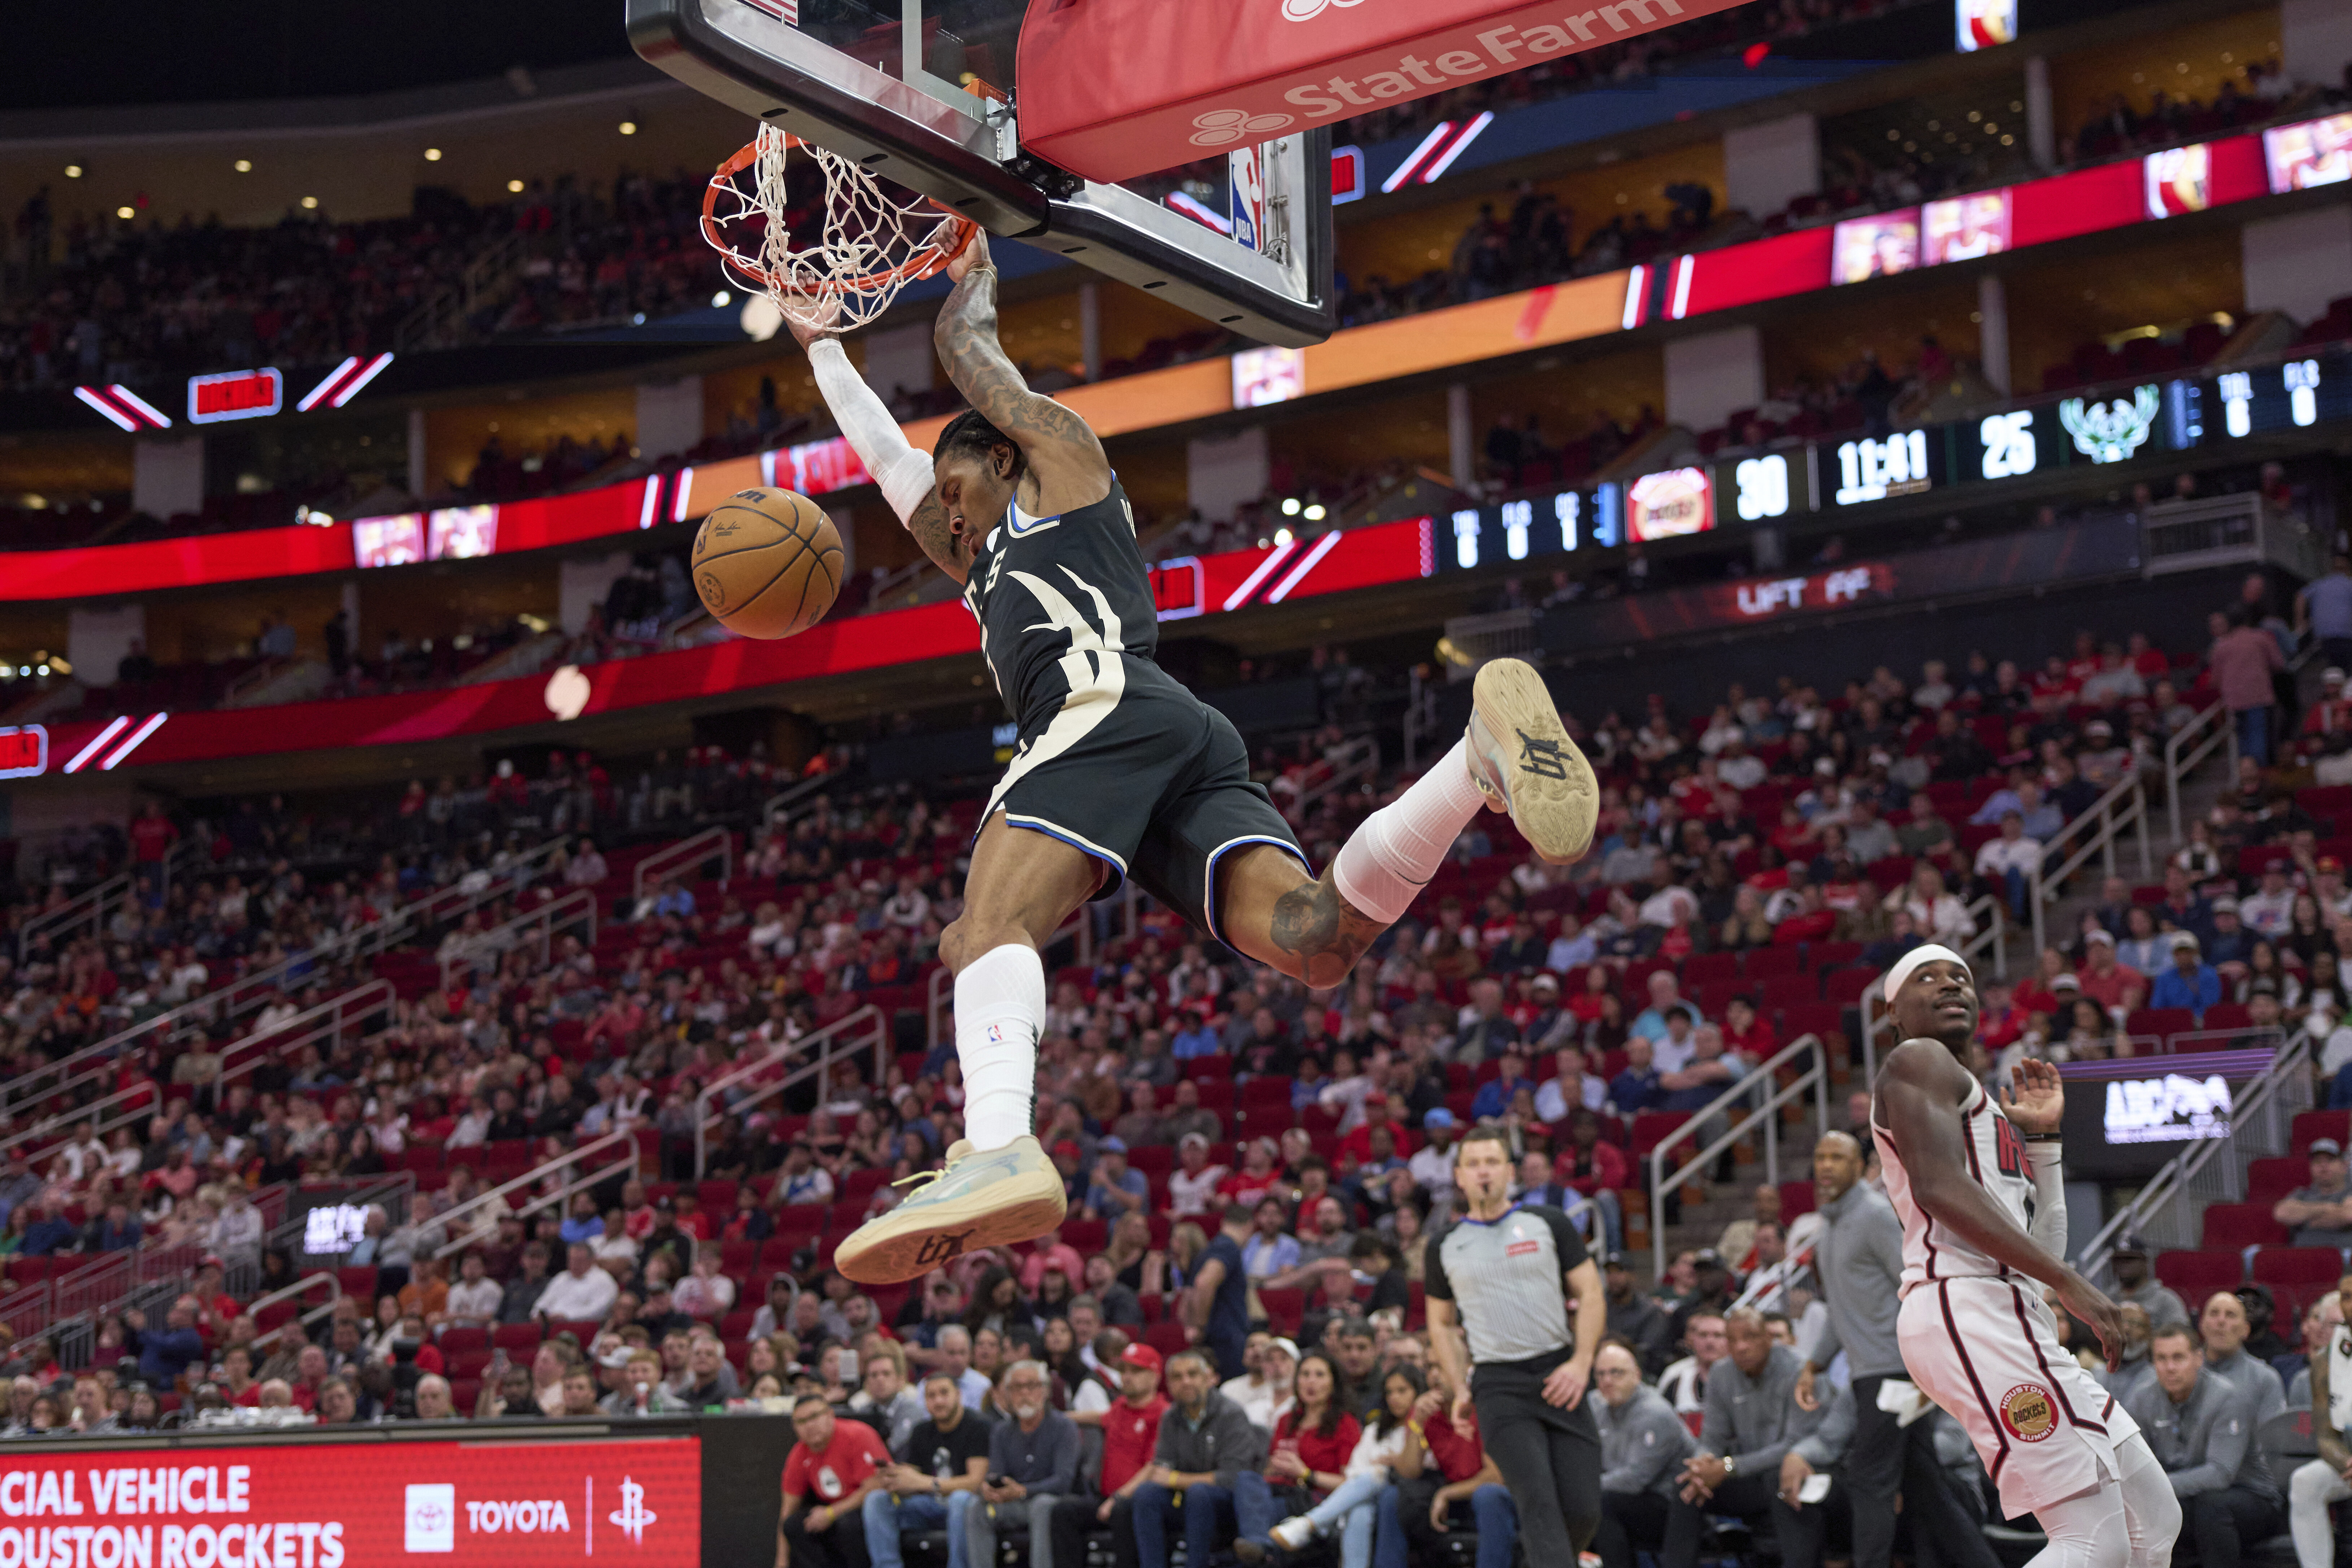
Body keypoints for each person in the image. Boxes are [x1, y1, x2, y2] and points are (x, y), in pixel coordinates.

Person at [788, 243, 1598, 1285]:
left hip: (1099, 702)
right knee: (1314, 939)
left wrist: (969, 264)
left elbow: (967, 350)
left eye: (955, 483)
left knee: (983, 929)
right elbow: (885, 461)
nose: (941, 511)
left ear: (1001, 458)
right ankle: (1473, 760)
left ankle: (995, 1141)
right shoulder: (978, 552)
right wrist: (824, 355)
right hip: (1175, 734)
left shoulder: (1064, 470)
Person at [1872, 944, 2181, 1568]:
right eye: (1925, 977)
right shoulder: (1916, 1058)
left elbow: (2036, 1252)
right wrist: (2070, 1283)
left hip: (2007, 1308)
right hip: (1963, 1303)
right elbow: (1935, 1186)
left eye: (1958, 976)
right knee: (2091, 1538)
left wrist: (2040, 1144)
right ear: (1894, 1017)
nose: (1948, 984)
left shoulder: (1980, 1105)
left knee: (2152, 1520)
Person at [1796, 1130, 2003, 1568]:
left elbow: (1920, 1286)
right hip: (1871, 1373)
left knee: (1868, 1479)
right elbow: (1840, 1310)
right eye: (1820, 1157)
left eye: (1838, 1156)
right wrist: (1813, 1363)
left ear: (1859, 1166)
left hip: (1894, 1372)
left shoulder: (1873, 1216)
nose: (1827, 1165)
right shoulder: (1827, 1230)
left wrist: (1930, 1367)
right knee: (1925, 1485)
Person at [1425, 1125, 1606, 1567]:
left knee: (1583, 1508)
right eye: (1473, 1163)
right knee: (1537, 1500)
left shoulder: (1548, 1222)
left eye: (1491, 1162)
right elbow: (1441, 1323)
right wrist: (1459, 1385)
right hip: (1498, 1383)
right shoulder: (1444, 1244)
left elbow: (1591, 1293)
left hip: (1559, 1371)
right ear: (1460, 1176)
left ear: (1509, 1172)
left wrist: (1582, 1362)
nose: (1483, 1171)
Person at [1664, 1307, 1849, 1568]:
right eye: (1733, 1340)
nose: (1742, 1347)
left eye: (1750, 1337)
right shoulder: (1721, 1373)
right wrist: (1703, 1463)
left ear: (1768, 1338)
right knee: (1687, 1484)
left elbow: (1793, 1445)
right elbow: (1712, 1439)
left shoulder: (1799, 1370)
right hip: (1752, 1476)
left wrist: (1729, 1466)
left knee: (1781, 1477)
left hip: (1800, 1471)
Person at [2124, 1324, 2281, 1568]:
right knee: (2141, 1508)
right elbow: (2131, 1464)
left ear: (2198, 1358)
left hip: (2251, 1497)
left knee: (2212, 1505)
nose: (2170, 1367)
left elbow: (2220, 1475)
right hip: (2187, 1496)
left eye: (2178, 1358)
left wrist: (2154, 1486)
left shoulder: (2228, 1397)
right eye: (2161, 1359)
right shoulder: (2142, 1399)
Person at [1132, 1351, 1274, 1568]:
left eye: (1192, 1374)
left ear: (1208, 1378)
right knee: (1146, 1494)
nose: (1185, 1382)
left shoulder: (1231, 1414)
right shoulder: (1171, 1417)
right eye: (1177, 1377)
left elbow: (1233, 1477)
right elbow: (1162, 1468)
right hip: (1188, 1499)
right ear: (1168, 1385)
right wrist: (1172, 1479)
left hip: (1227, 1505)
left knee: (1200, 1492)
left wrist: (1176, 1479)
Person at [1044, 1343, 1165, 1568]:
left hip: (1135, 1501)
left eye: (1136, 1371)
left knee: (1123, 1512)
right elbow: (1098, 1417)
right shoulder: (1120, 1407)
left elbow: (1154, 1468)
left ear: (1155, 1376)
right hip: (1106, 1499)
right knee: (1064, 1511)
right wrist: (1057, 1418)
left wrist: (1117, 1499)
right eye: (1124, 1371)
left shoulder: (1162, 1414)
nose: (1127, 1377)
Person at [861, 1372, 991, 1568]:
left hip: (965, 1507)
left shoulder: (978, 1426)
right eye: (931, 1396)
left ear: (959, 1395)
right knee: (876, 1500)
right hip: (929, 1506)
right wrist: (895, 1478)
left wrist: (925, 1483)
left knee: (960, 1499)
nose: (938, 1401)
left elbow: (975, 1483)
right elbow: (910, 1479)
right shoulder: (921, 1431)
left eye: (944, 1393)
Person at [1592, 1341, 1694, 1568]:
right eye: (1600, 1374)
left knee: (1600, 1503)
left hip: (1673, 1508)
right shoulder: (1596, 1406)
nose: (1607, 1381)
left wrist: (1582, 1488)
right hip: (1625, 1499)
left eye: (1616, 1373)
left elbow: (1635, 1480)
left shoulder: (1654, 1413)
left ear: (1637, 1375)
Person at [965, 1360, 1077, 1568]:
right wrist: (989, 1489)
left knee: (1042, 1505)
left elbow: (1063, 1481)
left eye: (1032, 1386)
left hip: (1054, 1504)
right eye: (1017, 1388)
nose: (1024, 1393)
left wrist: (1023, 1491)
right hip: (1014, 1505)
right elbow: (996, 1473)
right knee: (977, 1508)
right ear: (1007, 1394)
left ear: (1045, 1391)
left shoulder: (1064, 1427)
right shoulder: (1001, 1431)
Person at [2286, 1272, 2352, 1568]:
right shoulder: (2325, 1361)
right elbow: (2325, 1436)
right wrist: (2346, 1462)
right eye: (2347, 1297)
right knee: (2305, 1482)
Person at [779, 1395, 891, 1568]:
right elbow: (787, 1510)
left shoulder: (858, 1435)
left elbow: (877, 1486)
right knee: (794, 1525)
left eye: (815, 1417)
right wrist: (781, 1562)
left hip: (870, 1509)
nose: (809, 1426)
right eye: (801, 1422)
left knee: (848, 1524)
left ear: (831, 1415)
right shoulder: (799, 1453)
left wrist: (831, 1513)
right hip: (833, 1510)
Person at [2272, 1138, 2352, 1248]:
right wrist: (2328, 1208)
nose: (2323, 1166)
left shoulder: (2350, 1192)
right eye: (2317, 1161)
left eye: (2330, 1160)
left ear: (2344, 1166)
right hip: (2301, 1258)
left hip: (2341, 1259)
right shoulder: (2302, 1194)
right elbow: (2281, 1213)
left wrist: (2307, 1219)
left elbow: (2348, 1216)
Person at [2108, 1237, 2191, 1330]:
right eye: (2118, 1260)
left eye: (2130, 1259)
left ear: (2145, 1262)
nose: (2124, 1264)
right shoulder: (2106, 1299)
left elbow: (2181, 1336)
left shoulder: (2166, 1300)